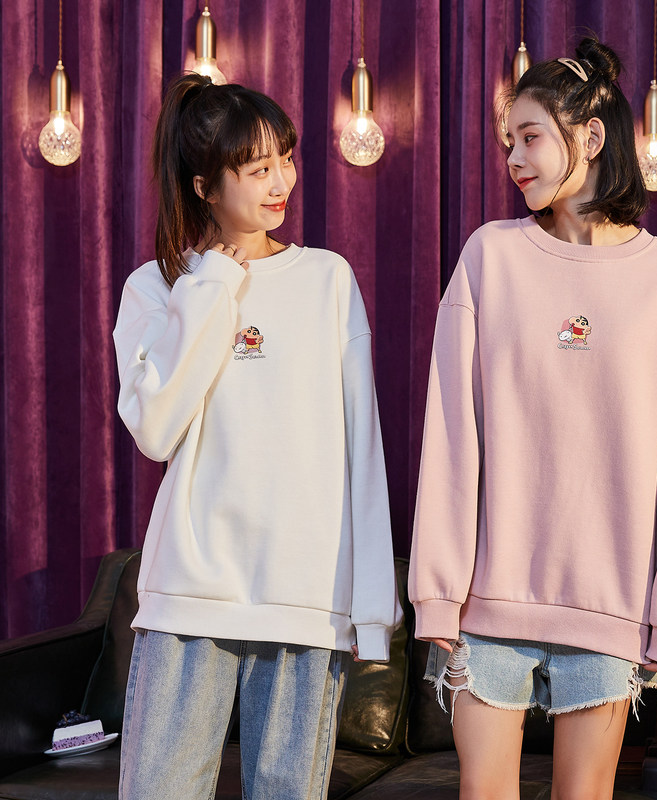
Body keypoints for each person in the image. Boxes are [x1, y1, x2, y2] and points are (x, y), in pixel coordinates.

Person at [409, 37, 657, 800]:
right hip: (488, 603)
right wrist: (438, 591)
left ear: (591, 136)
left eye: (530, 137)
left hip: (609, 609)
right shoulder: (489, 257)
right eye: (507, 142)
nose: (514, 159)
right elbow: (451, 434)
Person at [113, 73, 400, 800]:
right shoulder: (157, 287)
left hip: (305, 598)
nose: (282, 182)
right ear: (205, 186)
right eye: (258, 167)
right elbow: (155, 428)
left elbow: (362, 450)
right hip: (189, 594)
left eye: (286, 160)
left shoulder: (327, 279)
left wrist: (372, 612)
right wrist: (211, 282)